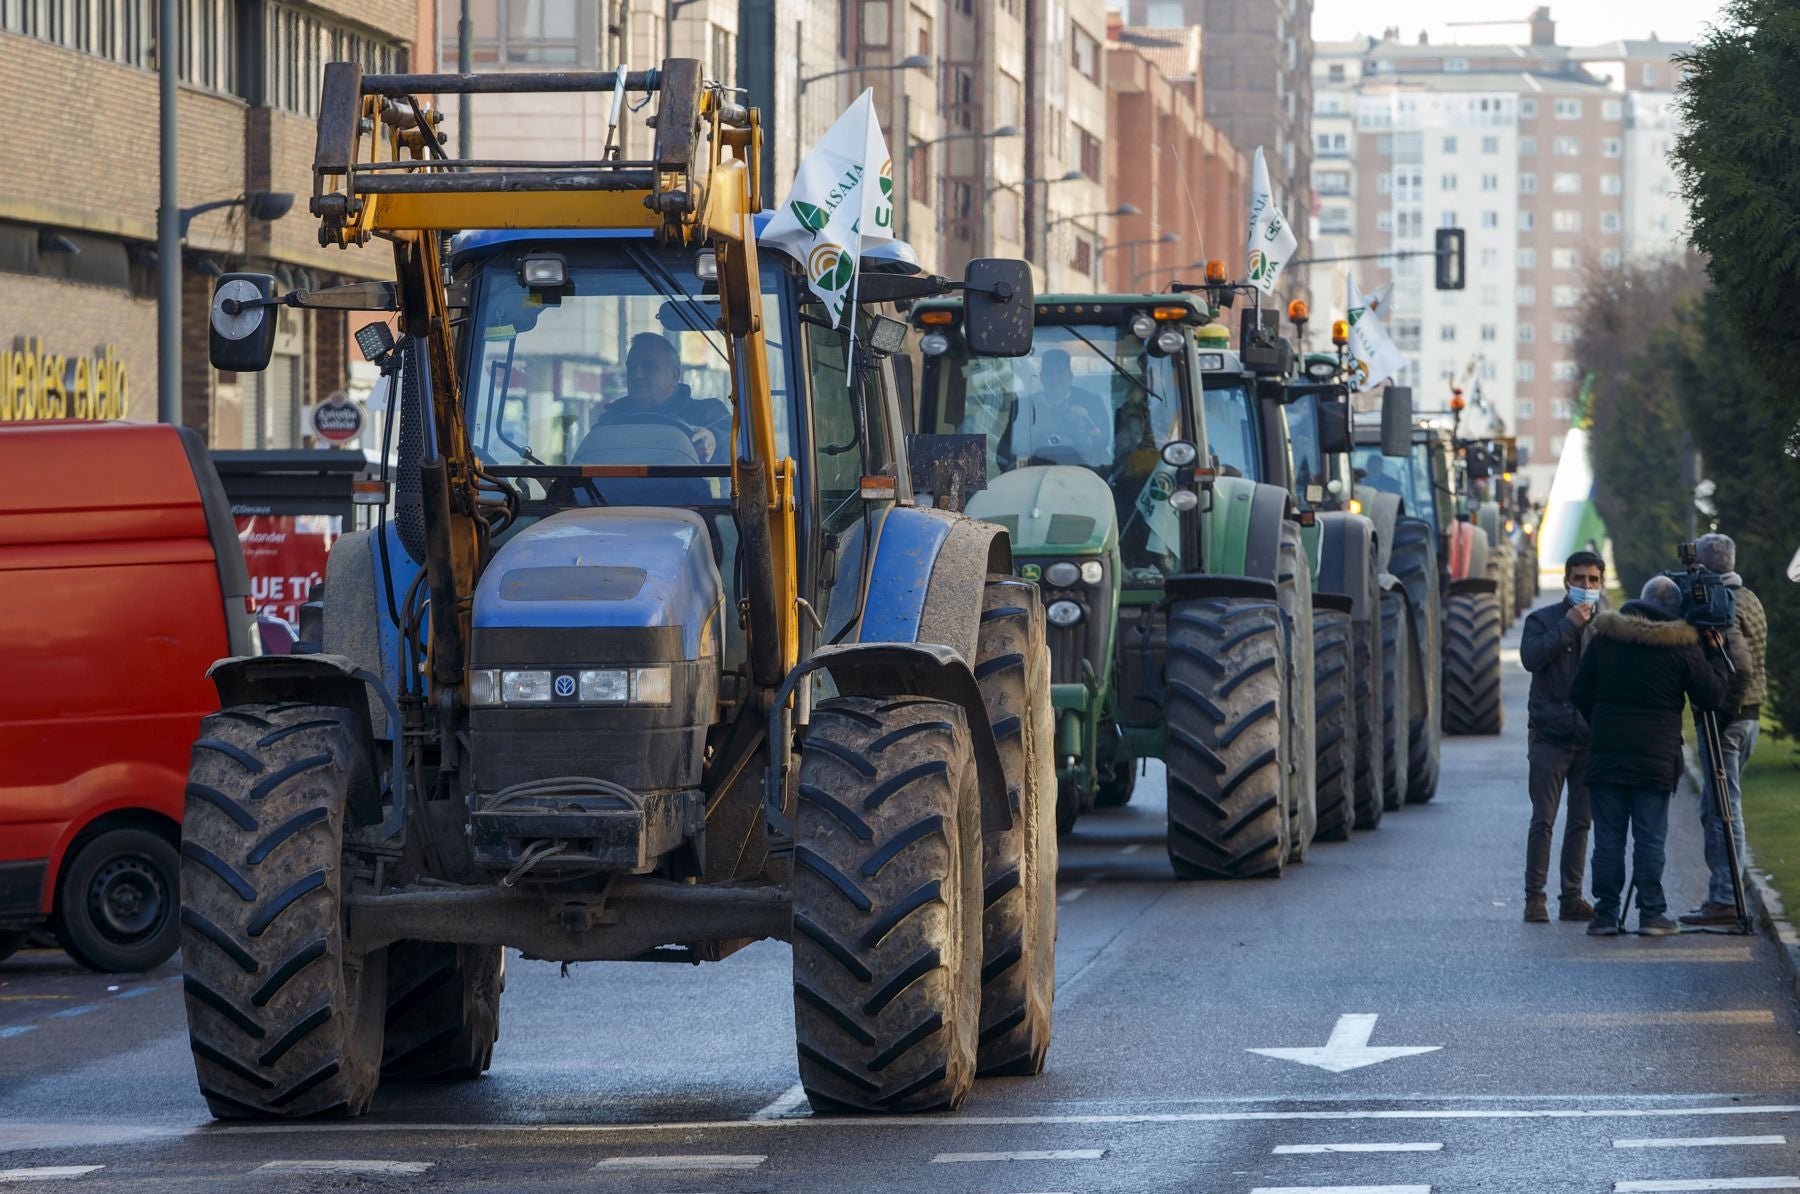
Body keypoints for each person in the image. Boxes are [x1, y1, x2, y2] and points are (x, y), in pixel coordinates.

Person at [1572, 576, 1733, 937]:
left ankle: (1606, 914)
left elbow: (1579, 690)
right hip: (1655, 756)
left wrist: (1600, 724)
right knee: (1650, 839)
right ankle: (1652, 914)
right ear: (1676, 610)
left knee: (1609, 839)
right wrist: (1716, 655)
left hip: (1607, 753)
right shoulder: (1681, 647)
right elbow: (1711, 696)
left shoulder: (1606, 639)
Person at [1682, 533, 1769, 926]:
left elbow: (1742, 665)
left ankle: (1724, 899)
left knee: (1721, 811)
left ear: (1704, 564)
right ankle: (1725, 894)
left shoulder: (1722, 605)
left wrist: (1722, 706)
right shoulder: (1748, 596)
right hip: (1750, 717)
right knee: (1722, 807)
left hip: (1728, 720)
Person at [1519, 550, 1605, 924]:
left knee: (1581, 821)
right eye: (1580, 579)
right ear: (1566, 581)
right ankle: (1534, 898)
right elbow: (1531, 657)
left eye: (1593, 580)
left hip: (1588, 737)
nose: (1586, 586)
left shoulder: (1607, 627)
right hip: (1550, 735)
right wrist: (1569, 624)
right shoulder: (1543, 620)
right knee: (1544, 819)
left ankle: (1572, 895)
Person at [587, 333, 731, 462]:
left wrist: (713, 438)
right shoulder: (610, 420)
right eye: (632, 368)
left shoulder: (708, 414)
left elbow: (735, 446)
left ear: (674, 375)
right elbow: (589, 458)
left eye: (649, 368)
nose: (637, 375)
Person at [1003, 348, 1111, 467]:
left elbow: (1102, 439)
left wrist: (1082, 426)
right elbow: (1005, 451)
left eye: (1060, 372)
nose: (1055, 379)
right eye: (1049, 373)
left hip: (1083, 470)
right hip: (1034, 472)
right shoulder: (1022, 406)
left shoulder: (1091, 402)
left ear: (1070, 376)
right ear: (1042, 377)